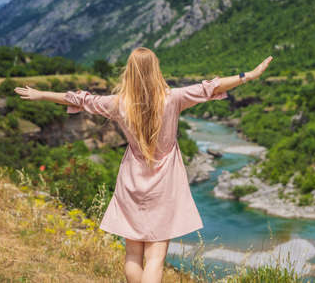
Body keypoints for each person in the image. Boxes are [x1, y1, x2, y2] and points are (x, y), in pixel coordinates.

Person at [14, 47, 273, 283]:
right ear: (155, 69)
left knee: (132, 258)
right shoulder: (173, 98)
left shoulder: (118, 104)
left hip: (132, 182)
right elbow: (211, 87)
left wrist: (42, 94)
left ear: (130, 72)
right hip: (165, 184)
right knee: (156, 260)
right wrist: (247, 75)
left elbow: (81, 99)